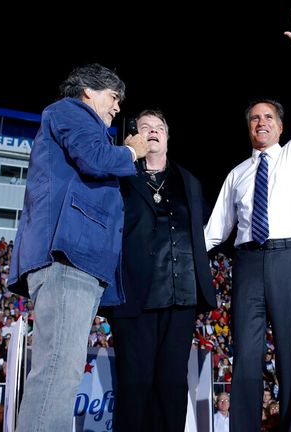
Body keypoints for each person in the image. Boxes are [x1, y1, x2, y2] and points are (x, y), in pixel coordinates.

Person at [204, 7, 291, 431]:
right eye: (254, 118)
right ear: (249, 129)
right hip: (246, 264)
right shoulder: (237, 174)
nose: (261, 122)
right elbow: (212, 233)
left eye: (268, 117)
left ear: (281, 126)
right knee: (245, 355)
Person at [6, 63, 148, 431]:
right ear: (89, 91)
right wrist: (130, 152)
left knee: (62, 370)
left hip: (76, 262)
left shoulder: (81, 121)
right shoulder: (71, 111)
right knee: (58, 369)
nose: (117, 108)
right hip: (66, 258)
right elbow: (96, 159)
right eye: (113, 98)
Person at [107, 109, 216, 432]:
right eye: (144, 127)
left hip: (181, 297)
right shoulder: (121, 176)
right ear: (133, 136)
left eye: (159, 128)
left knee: (172, 385)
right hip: (134, 297)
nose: (153, 131)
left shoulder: (189, 181)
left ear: (168, 137)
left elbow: (211, 228)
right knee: (134, 384)